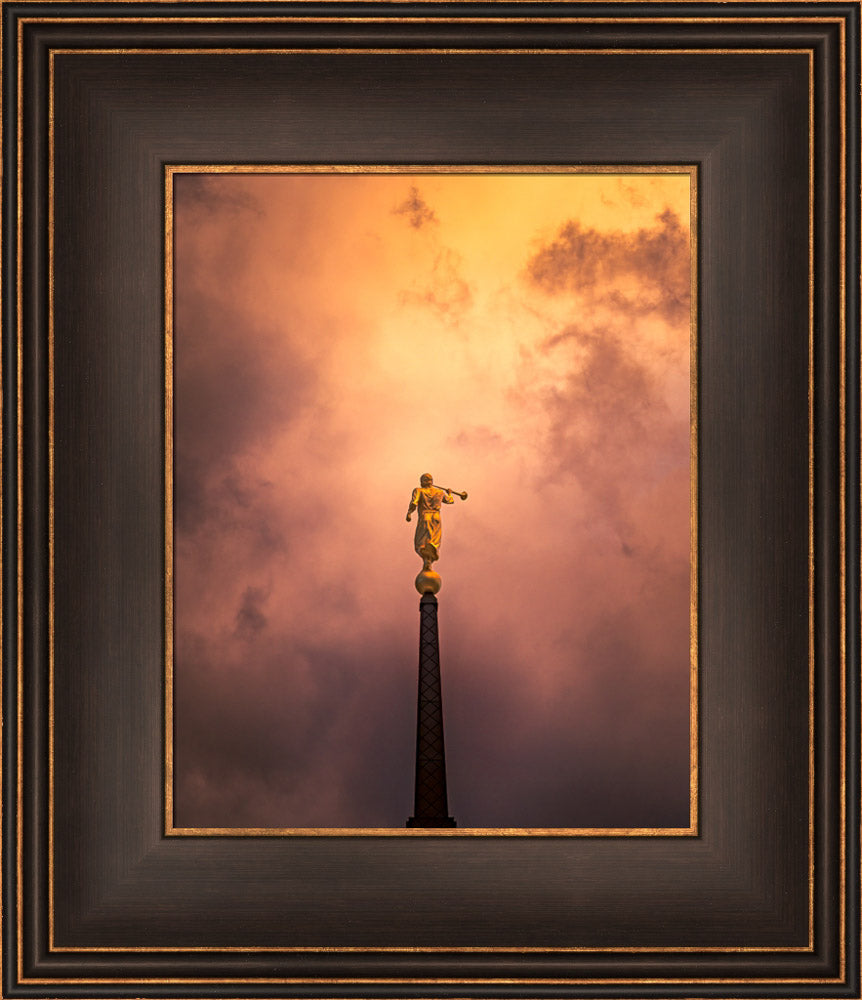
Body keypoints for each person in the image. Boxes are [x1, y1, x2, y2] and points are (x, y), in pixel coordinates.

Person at [406, 473, 454, 570]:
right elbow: (450, 500)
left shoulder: (419, 490)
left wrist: (409, 513)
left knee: (420, 543)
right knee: (433, 541)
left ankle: (426, 560)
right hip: (436, 517)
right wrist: (449, 493)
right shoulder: (439, 492)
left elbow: (414, 502)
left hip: (425, 516)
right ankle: (429, 560)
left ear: (423, 481)